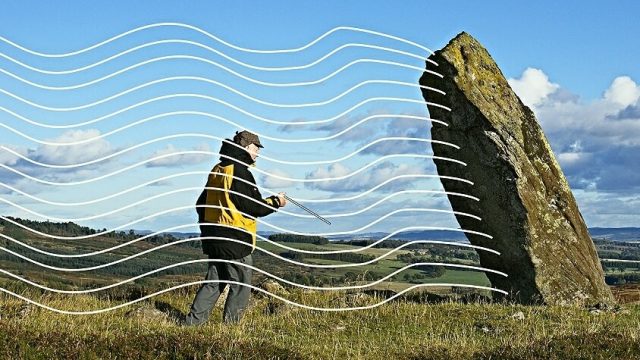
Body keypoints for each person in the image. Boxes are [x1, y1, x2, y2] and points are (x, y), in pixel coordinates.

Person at [183, 130, 287, 325]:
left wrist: (211, 228)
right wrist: (276, 202)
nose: (258, 153)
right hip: (235, 238)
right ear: (247, 147)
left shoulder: (218, 169)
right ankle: (230, 329)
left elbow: (200, 204)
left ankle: (192, 325)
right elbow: (252, 206)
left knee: (214, 282)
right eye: (257, 148)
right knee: (240, 285)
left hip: (214, 237)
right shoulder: (239, 171)